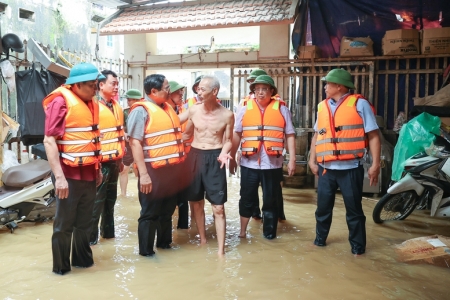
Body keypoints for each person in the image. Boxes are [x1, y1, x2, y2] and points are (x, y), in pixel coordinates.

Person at [308, 68, 381, 256]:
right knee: (322, 209)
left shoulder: (360, 104)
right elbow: (317, 135)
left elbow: (373, 135)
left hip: (350, 168)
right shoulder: (322, 106)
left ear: (339, 86)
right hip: (326, 169)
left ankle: (358, 249)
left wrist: (375, 164)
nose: (324, 87)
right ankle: (319, 241)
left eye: (328, 84)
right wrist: (312, 159)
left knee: (354, 211)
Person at [43, 62, 104, 275]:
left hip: (88, 174)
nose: (95, 90)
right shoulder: (60, 101)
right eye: (92, 86)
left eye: (97, 85)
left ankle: (83, 263)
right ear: (77, 85)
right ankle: (61, 269)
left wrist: (97, 170)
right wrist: (59, 178)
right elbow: (49, 140)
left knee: (85, 223)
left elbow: (90, 140)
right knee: (64, 224)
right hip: (67, 175)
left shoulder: (91, 103)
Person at [230, 75, 296, 240]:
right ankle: (242, 232)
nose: (260, 92)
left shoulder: (282, 109)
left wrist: (292, 159)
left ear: (272, 91)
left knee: (270, 200)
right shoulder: (245, 109)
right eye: (257, 89)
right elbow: (237, 133)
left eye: (264, 89)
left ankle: (269, 235)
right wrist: (232, 155)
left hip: (272, 165)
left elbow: (290, 135)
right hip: (248, 163)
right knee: (246, 198)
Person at [128, 74, 186, 256]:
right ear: (153, 91)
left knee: (167, 211)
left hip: (171, 170)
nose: (169, 91)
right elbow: (135, 142)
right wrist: (144, 175)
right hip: (152, 170)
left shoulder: (167, 108)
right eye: (166, 88)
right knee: (149, 213)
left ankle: (164, 245)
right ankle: (146, 253)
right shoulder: (140, 111)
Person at [183, 75, 234, 256]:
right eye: (198, 89)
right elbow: (184, 133)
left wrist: (223, 152)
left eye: (202, 89)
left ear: (215, 92)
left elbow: (228, 141)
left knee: (218, 208)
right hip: (195, 156)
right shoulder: (193, 111)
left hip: (215, 157)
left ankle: (221, 251)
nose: (199, 91)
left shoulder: (227, 115)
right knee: (196, 202)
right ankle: (203, 240)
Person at [90, 70, 126, 245]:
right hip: (100, 163)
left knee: (110, 201)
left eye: (117, 83)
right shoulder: (93, 106)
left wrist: (120, 161)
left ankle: (108, 235)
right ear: (101, 85)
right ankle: (91, 241)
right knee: (96, 203)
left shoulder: (117, 107)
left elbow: (120, 134)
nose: (116, 86)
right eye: (113, 83)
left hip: (114, 162)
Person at [167, 80, 190, 229]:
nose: (181, 94)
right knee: (169, 199)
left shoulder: (180, 110)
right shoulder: (163, 112)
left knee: (184, 197)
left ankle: (183, 229)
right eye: (177, 91)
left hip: (184, 160)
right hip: (168, 162)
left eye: (182, 91)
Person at [119, 88, 143, 197]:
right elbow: (121, 127)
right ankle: (123, 195)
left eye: (130, 100)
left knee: (139, 171)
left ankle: (141, 194)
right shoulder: (125, 112)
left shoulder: (144, 111)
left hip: (140, 145)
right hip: (128, 145)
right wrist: (124, 134)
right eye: (127, 100)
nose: (128, 102)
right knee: (124, 169)